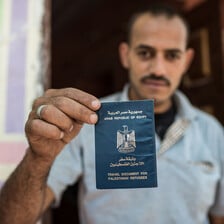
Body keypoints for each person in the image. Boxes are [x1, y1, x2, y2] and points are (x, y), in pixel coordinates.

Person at [0, 3, 224, 224]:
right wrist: (38, 159)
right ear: (125, 55)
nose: (158, 69)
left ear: (187, 61)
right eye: (145, 53)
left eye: (172, 55)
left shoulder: (212, 131)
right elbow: (11, 220)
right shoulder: (86, 122)